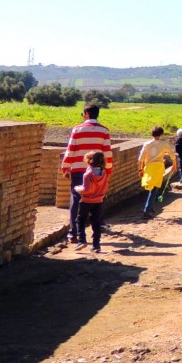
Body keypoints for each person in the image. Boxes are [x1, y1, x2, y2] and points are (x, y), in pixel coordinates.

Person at [61, 103, 113, 246]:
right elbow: (107, 153)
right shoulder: (104, 131)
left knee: (77, 200)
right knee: (97, 199)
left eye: (82, 114)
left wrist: (65, 167)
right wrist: (107, 171)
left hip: (78, 169)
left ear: (87, 114)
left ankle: (74, 233)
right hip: (98, 171)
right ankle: (95, 233)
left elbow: (70, 150)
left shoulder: (77, 129)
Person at [73, 150, 110, 253]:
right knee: (96, 222)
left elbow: (86, 189)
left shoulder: (88, 174)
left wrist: (77, 188)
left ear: (90, 161)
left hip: (86, 200)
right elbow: (106, 186)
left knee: (80, 220)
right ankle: (96, 245)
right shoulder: (104, 172)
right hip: (99, 201)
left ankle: (82, 240)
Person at [137, 126, 177, 219]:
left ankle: (150, 208)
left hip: (148, 168)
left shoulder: (146, 144)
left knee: (151, 187)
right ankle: (147, 210)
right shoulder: (164, 144)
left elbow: (140, 159)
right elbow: (172, 155)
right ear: (161, 134)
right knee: (154, 188)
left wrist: (140, 169)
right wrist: (174, 165)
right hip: (158, 168)